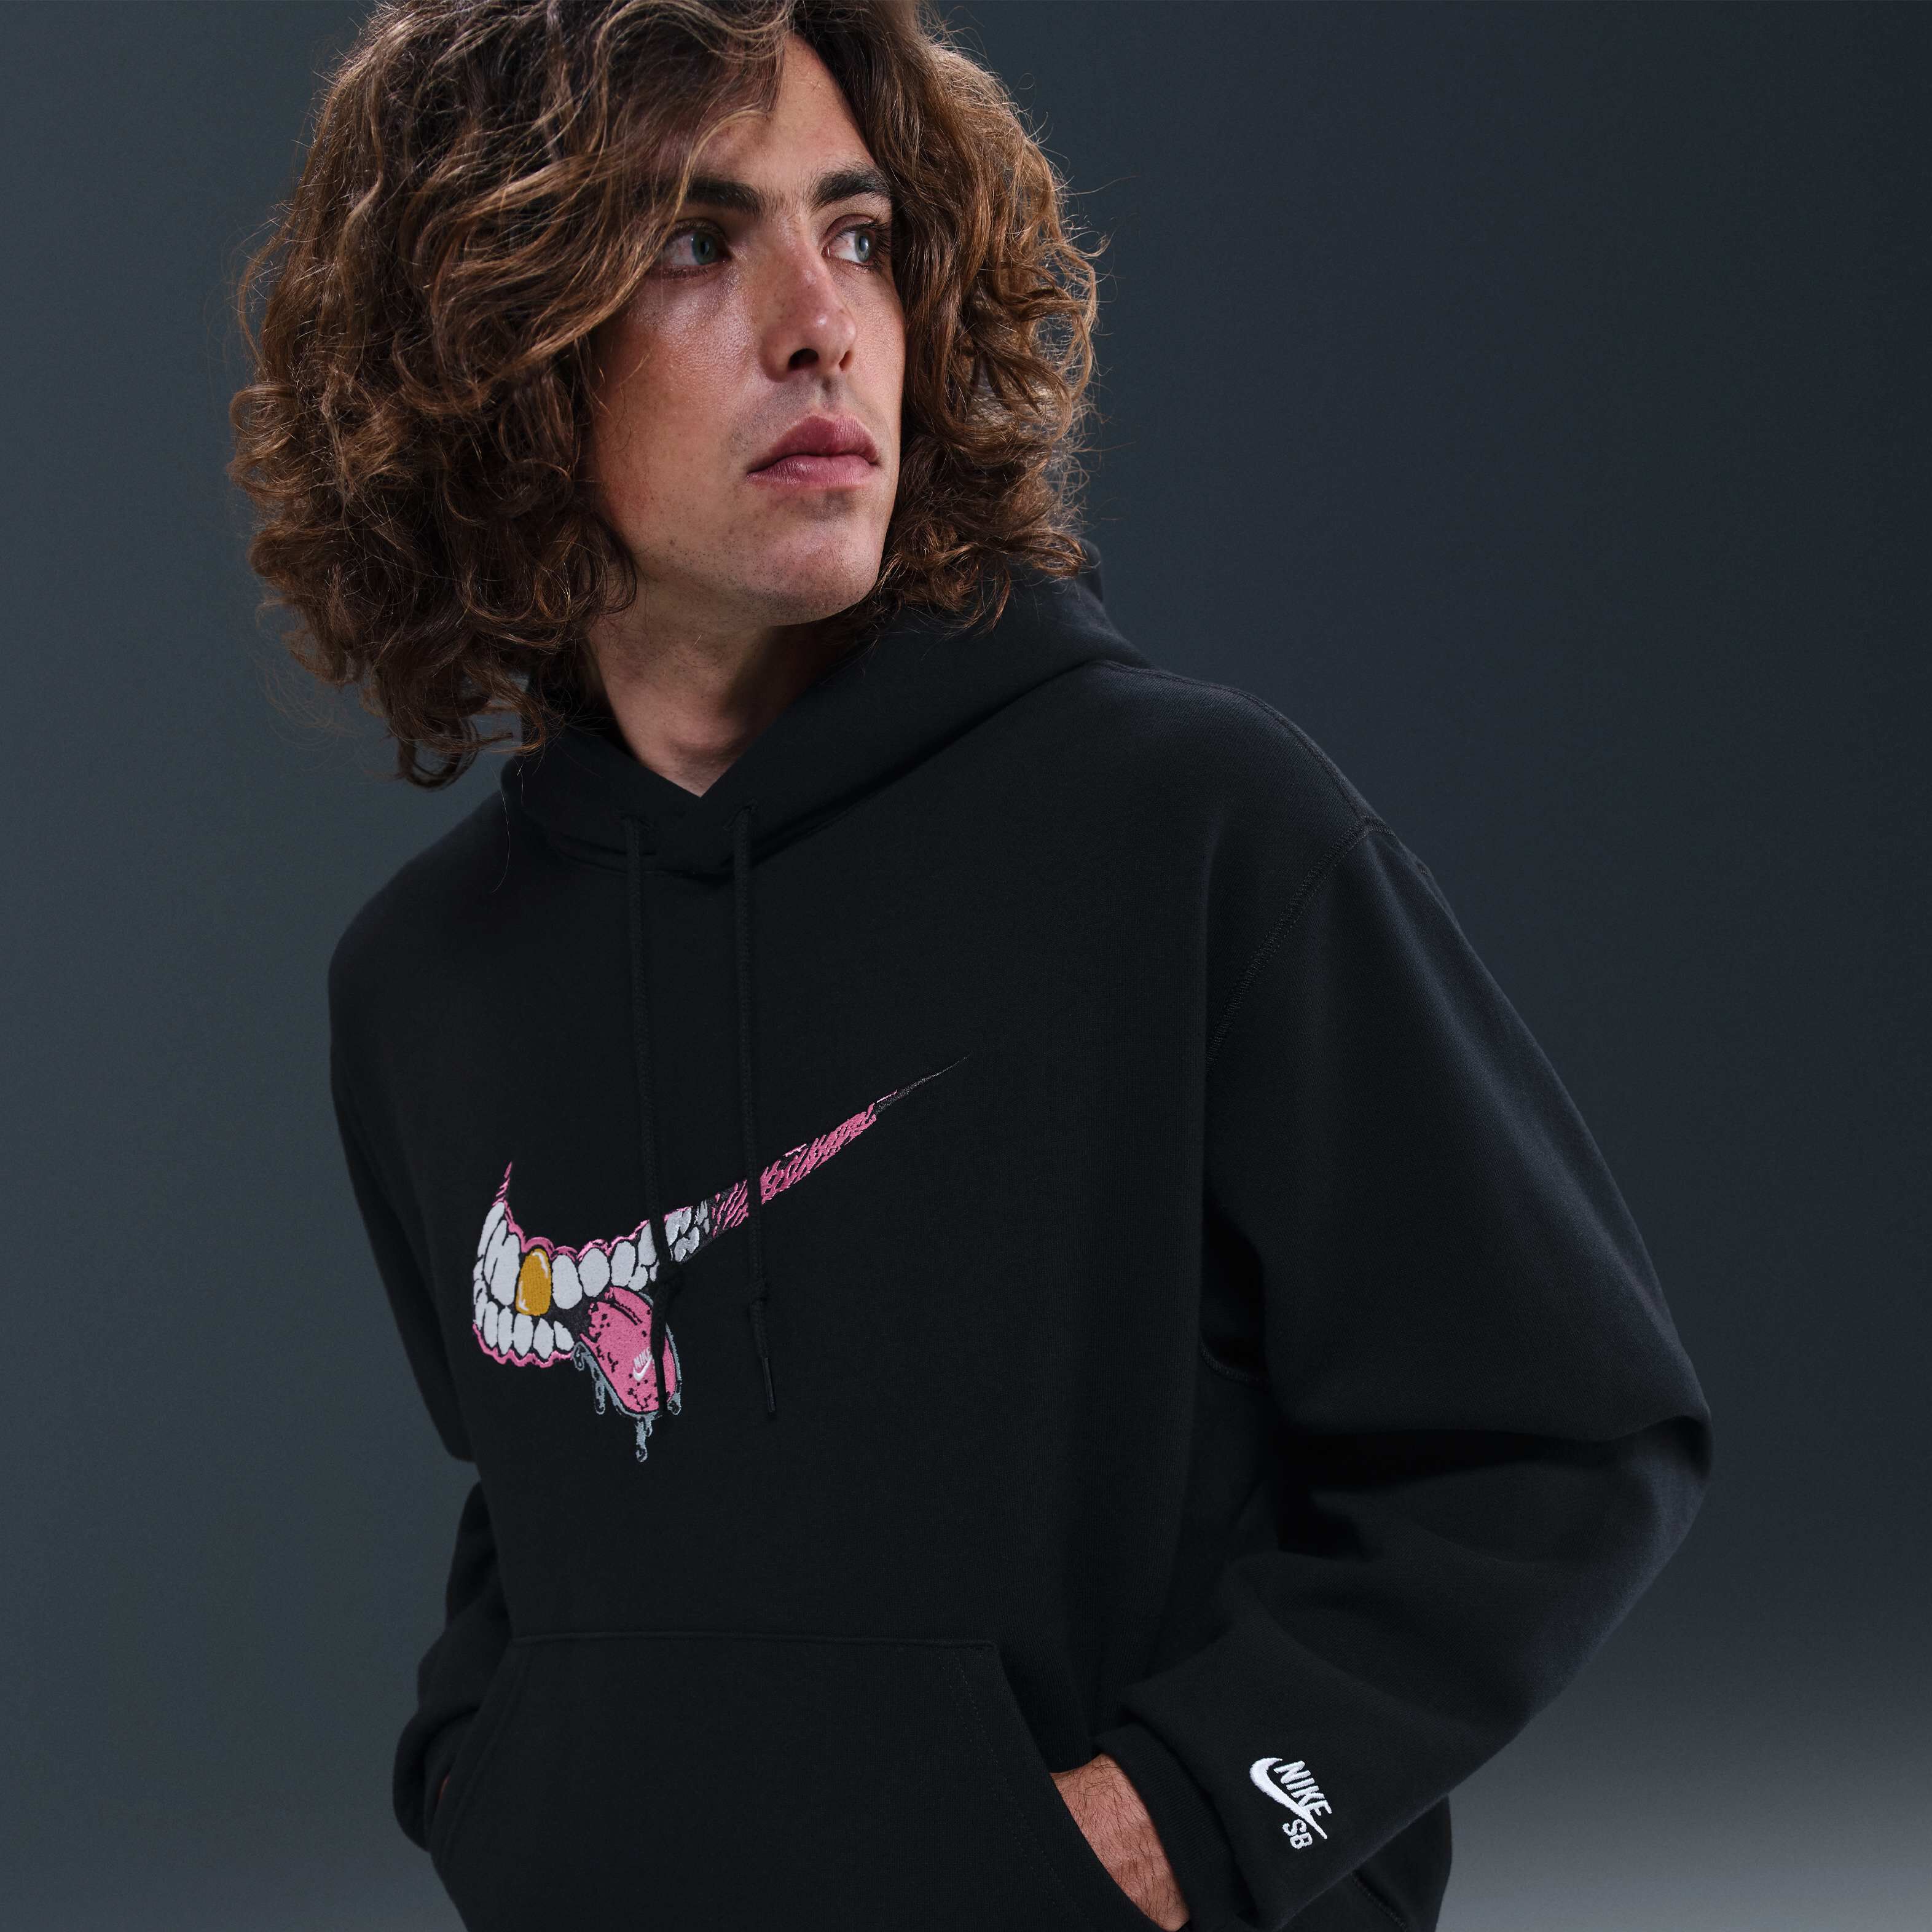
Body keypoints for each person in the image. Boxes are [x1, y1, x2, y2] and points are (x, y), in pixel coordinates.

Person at [228, 4, 1712, 1928]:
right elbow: (544, 1499)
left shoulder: (1193, 831)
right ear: (486, 349)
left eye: (858, 234)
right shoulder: (426, 984)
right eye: (694, 241)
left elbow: (1562, 1439)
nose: (822, 323)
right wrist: (490, 1780)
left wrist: (1190, 1820)